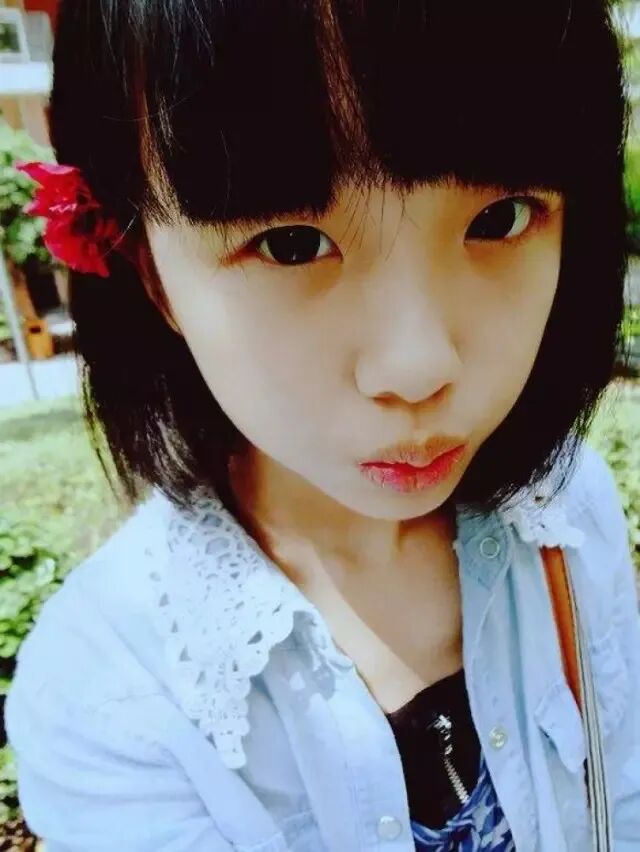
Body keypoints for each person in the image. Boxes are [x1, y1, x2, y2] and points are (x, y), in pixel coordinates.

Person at [4, 0, 639, 849]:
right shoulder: (110, 694)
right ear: (152, 274)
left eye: (501, 219)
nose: (418, 365)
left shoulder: (566, 508)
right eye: (292, 244)